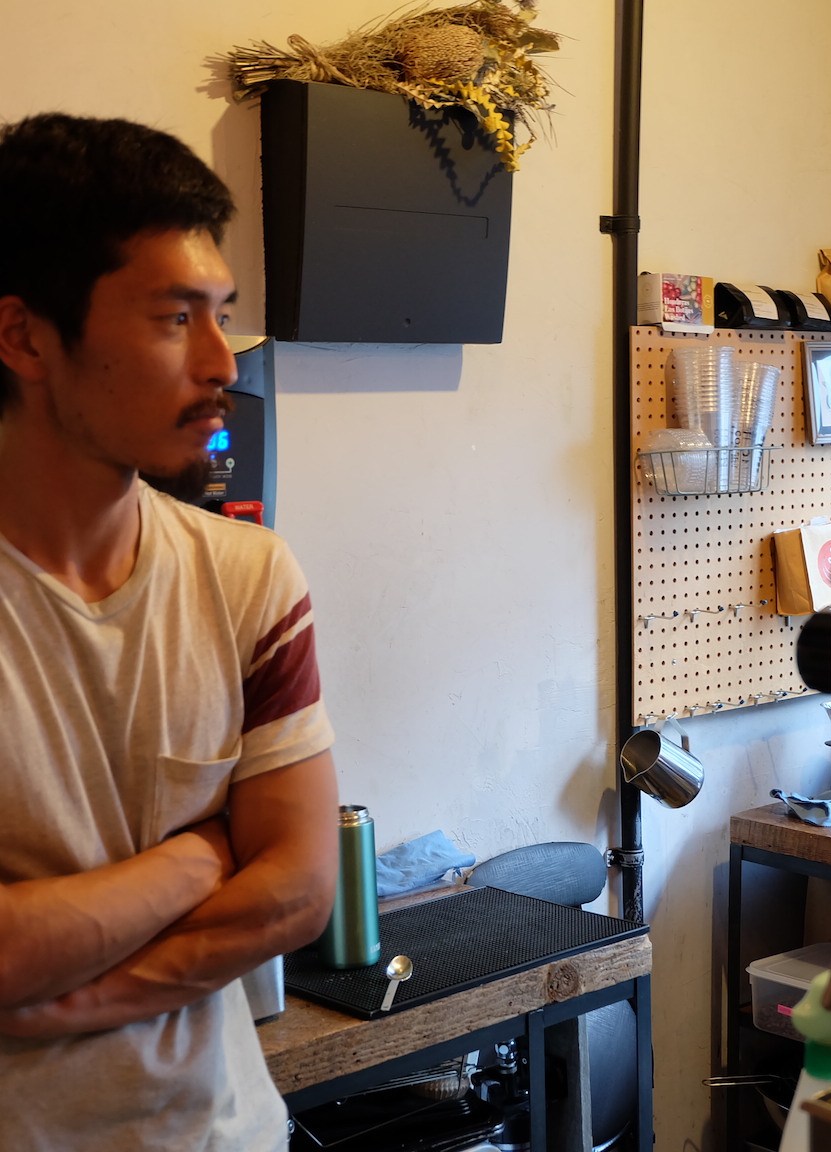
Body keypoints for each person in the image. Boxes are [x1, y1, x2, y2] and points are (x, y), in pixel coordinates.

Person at [0, 112, 339, 1150]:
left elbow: (299, 890)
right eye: (172, 318)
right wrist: (198, 861)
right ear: (24, 338)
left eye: (221, 314)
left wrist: (83, 1000)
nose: (220, 362)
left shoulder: (248, 574)